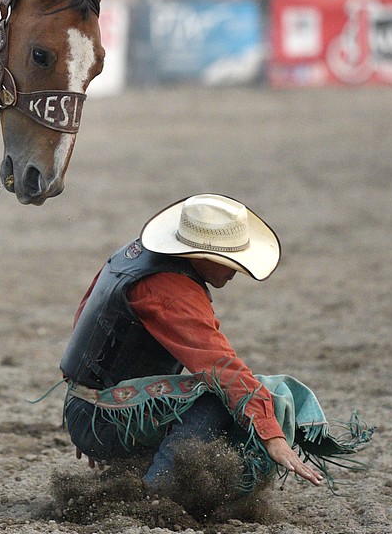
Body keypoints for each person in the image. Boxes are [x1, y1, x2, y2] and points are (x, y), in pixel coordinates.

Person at [59, 194, 371, 498]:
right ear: (201, 255)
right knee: (222, 398)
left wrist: (88, 394)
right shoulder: (171, 290)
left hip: (89, 406)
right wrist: (273, 436)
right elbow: (221, 368)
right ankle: (160, 493)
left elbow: (90, 318)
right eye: (229, 261)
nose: (235, 270)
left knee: (223, 395)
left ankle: (141, 469)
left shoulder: (134, 255)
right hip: (100, 415)